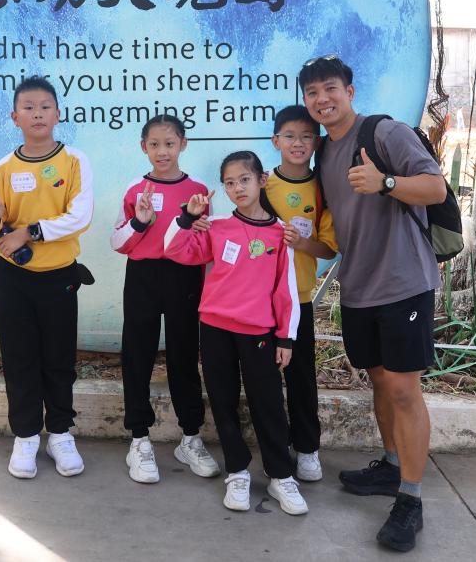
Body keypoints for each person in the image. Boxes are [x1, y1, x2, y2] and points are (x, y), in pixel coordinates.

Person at [299, 55, 448, 553]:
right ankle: (391, 465)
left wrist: (386, 182)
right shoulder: (323, 151)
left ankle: (411, 499)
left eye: (330, 88)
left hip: (404, 281)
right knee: (380, 380)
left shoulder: (385, 133)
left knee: (404, 389)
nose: (322, 99)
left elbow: (435, 187)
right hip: (359, 285)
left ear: (350, 91)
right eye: (312, 92)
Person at [163, 151, 308, 516]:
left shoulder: (280, 233)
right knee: (223, 401)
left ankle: (280, 475)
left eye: (244, 179)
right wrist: (187, 218)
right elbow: (174, 249)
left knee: (268, 402)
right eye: (230, 183)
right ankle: (237, 472)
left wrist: (285, 337)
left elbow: (286, 289)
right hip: (215, 328)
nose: (238, 188)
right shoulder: (216, 227)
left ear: (261, 180)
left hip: (258, 332)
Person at [0, 76, 93, 481]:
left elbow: (80, 216)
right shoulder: (4, 168)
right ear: (15, 117)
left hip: (59, 276)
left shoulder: (74, 161)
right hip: (13, 279)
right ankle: (25, 436)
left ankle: (60, 433)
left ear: (58, 114)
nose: (37, 114)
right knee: (19, 357)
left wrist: (30, 231)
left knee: (59, 358)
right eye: (28, 107)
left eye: (45, 107)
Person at [110, 114, 221, 484]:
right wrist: (140, 221)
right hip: (143, 275)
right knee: (137, 354)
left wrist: (199, 228)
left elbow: (205, 244)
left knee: (184, 355)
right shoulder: (135, 189)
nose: (162, 151)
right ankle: (139, 439)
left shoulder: (198, 191)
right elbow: (119, 242)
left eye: (170, 144)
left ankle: (190, 437)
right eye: (155, 144)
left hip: (184, 277)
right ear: (144, 147)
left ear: (183, 145)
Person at [264, 105, 337, 483]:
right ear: (275, 141)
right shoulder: (261, 185)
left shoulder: (323, 190)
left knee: (301, 378)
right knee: (264, 380)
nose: (298, 143)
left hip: (299, 300)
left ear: (316, 143)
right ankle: (275, 450)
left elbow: (328, 248)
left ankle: (307, 449)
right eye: (290, 136)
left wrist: (303, 243)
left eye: (306, 136)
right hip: (260, 301)